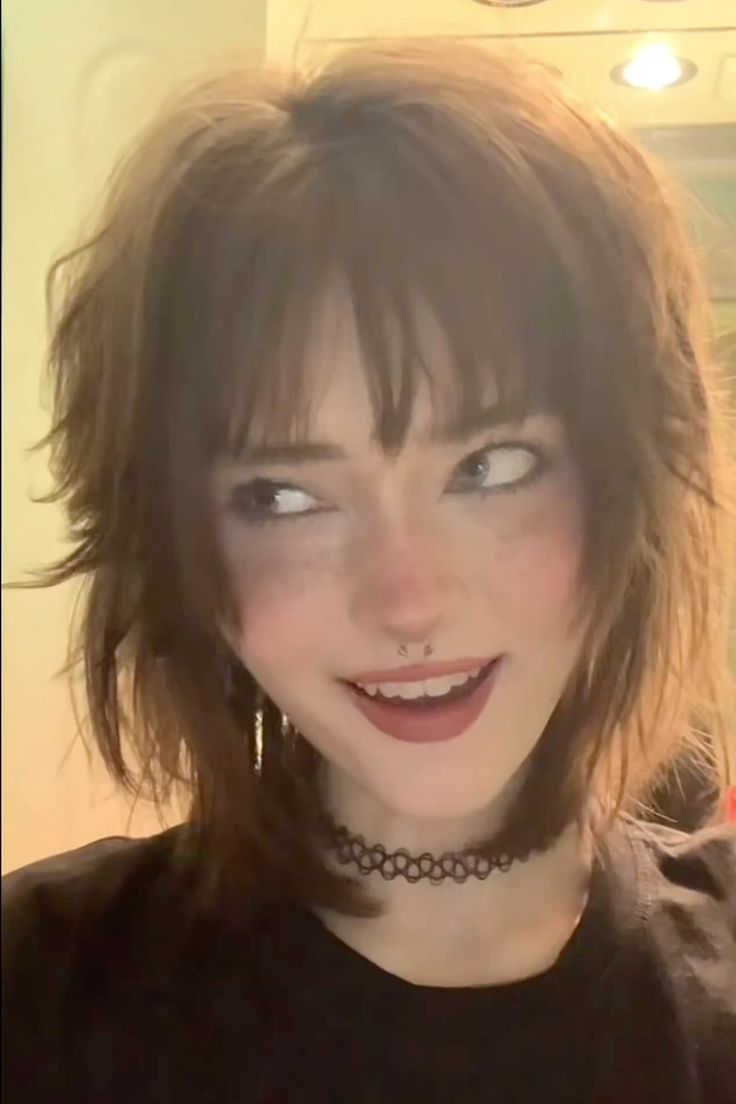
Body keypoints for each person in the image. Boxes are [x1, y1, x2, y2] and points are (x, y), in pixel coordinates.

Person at [3, 38, 735, 1104]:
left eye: (491, 466)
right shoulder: (40, 995)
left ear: (629, 480)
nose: (407, 599)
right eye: (282, 496)